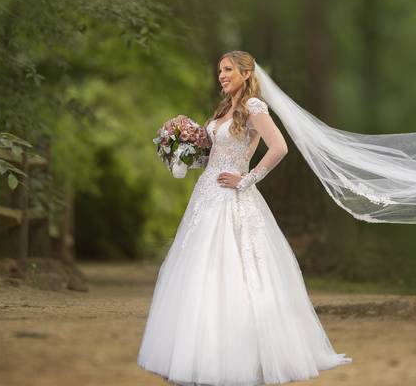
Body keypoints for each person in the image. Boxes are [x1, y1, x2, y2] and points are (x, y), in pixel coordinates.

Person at [137, 50, 352, 386]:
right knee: (200, 270)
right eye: (219, 70)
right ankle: (198, 354)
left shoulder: (254, 106)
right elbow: (214, 156)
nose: (222, 75)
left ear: (245, 72)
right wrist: (182, 153)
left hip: (231, 196)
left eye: (228, 69)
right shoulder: (225, 109)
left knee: (233, 268)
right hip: (206, 196)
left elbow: (279, 147)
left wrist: (246, 179)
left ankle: (241, 355)